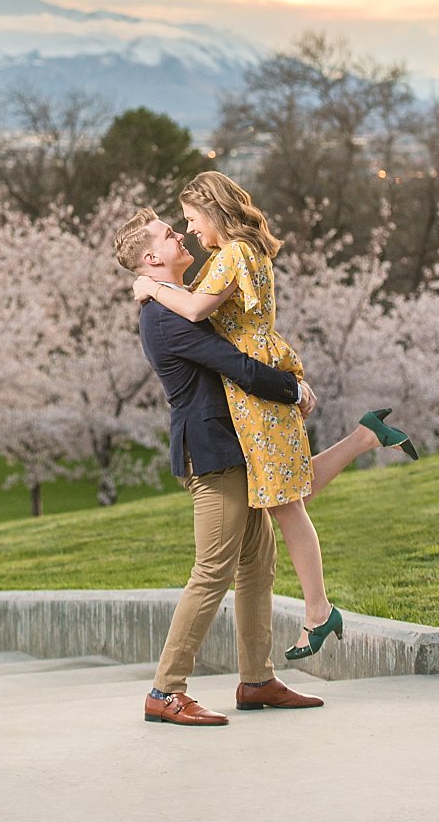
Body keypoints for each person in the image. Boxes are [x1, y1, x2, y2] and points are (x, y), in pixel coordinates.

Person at [132, 173, 416, 661]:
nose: (190, 231)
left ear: (214, 212)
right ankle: (365, 437)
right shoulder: (246, 251)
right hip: (263, 374)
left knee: (287, 501)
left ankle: (318, 611)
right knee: (287, 488)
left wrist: (151, 288)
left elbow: (198, 311)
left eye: (193, 220)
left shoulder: (231, 255)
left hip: (256, 387)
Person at [114, 206, 327, 727]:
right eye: (169, 234)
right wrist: (292, 388)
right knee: (212, 571)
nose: (181, 234)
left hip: (237, 452)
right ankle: (166, 690)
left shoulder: (180, 303)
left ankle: (257, 681)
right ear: (150, 257)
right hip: (212, 455)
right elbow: (236, 365)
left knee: (258, 566)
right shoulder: (166, 317)